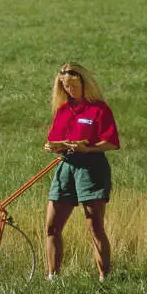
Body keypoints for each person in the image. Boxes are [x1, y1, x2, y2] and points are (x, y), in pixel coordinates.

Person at [43, 62, 120, 282]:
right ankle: (53, 277)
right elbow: (55, 138)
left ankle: (104, 277)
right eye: (65, 86)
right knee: (51, 227)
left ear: (84, 83)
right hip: (66, 166)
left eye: (73, 85)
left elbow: (112, 142)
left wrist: (89, 148)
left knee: (94, 225)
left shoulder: (99, 109)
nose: (69, 90)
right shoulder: (63, 110)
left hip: (92, 168)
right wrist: (51, 146)